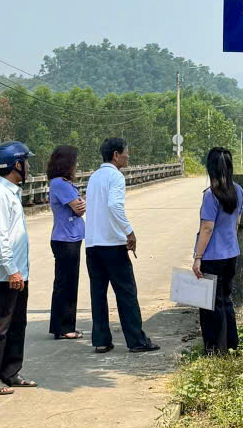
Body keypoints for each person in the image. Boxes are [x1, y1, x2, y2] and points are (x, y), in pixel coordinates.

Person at [84, 137, 159, 354]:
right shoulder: (115, 176)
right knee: (126, 293)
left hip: (93, 244)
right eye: (126, 152)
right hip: (112, 244)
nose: (128, 156)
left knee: (98, 293)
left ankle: (101, 340)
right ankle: (136, 339)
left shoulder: (94, 177)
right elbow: (114, 205)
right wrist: (129, 231)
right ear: (116, 155)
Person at [0, 141, 37, 395]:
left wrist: (19, 271)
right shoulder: (0, 196)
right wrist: (11, 270)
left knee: (16, 325)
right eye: (26, 161)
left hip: (16, 272)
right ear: (16, 165)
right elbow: (1, 237)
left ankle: (10, 372)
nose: (29, 166)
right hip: (3, 274)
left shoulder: (11, 192)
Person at [192, 147, 243, 355]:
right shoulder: (238, 191)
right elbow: (236, 223)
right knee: (225, 299)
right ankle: (231, 343)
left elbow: (207, 228)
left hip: (212, 257)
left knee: (210, 304)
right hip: (231, 253)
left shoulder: (210, 196)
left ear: (210, 168)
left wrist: (198, 257)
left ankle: (215, 349)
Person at [47, 145, 86, 340]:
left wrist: (79, 202)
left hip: (71, 237)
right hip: (65, 239)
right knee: (65, 284)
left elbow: (79, 204)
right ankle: (63, 327)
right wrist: (79, 202)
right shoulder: (60, 184)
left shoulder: (64, 184)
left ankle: (63, 325)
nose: (76, 166)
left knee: (69, 283)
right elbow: (79, 208)